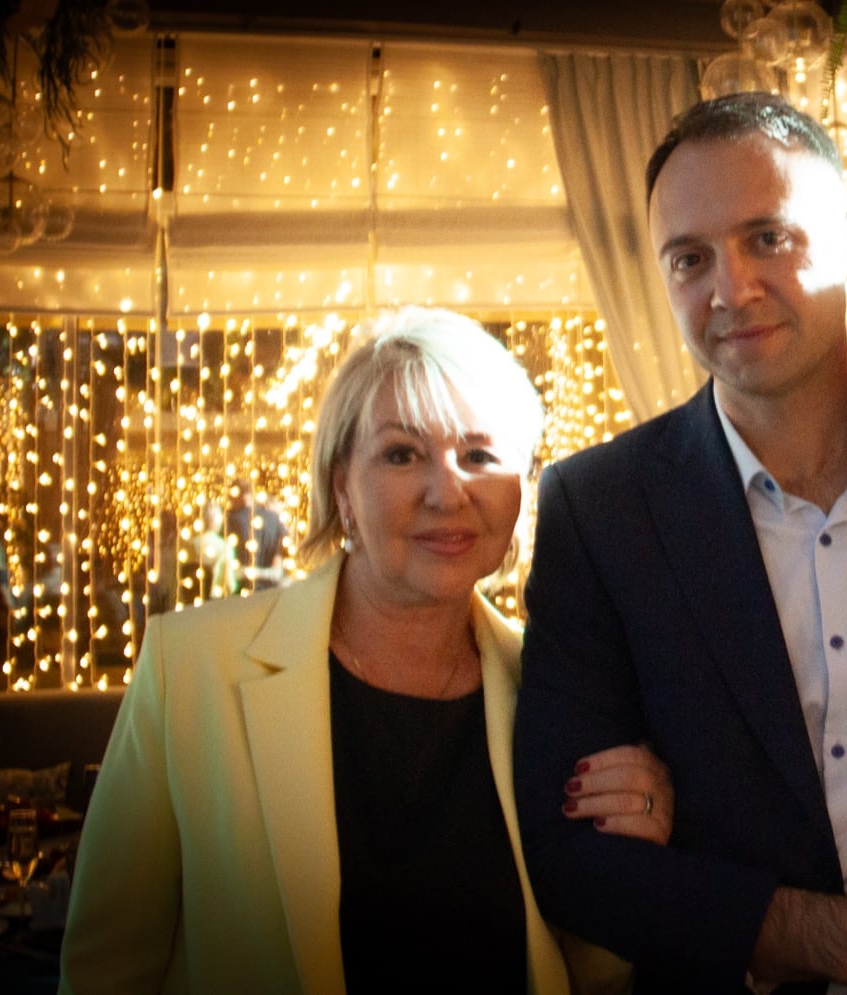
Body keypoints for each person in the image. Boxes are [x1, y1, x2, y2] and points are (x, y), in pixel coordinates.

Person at [514, 93, 847, 994]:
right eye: (690, 258)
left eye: (768, 238)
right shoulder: (598, 509)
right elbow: (568, 858)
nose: (731, 289)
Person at [61, 306, 673, 994]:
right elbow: (104, 971)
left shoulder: (557, 685)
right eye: (402, 454)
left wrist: (633, 850)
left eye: (479, 456)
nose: (448, 492)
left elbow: (595, 975)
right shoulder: (191, 666)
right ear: (341, 487)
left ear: (520, 489)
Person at [226, 478, 286, 590]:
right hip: (271, 589)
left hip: (241, 588)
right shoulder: (274, 518)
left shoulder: (229, 520)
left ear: (235, 495)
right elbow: (280, 557)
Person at [193, 499, 239, 598]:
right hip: (214, 601)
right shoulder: (224, 548)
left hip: (188, 602)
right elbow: (229, 586)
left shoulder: (188, 545)